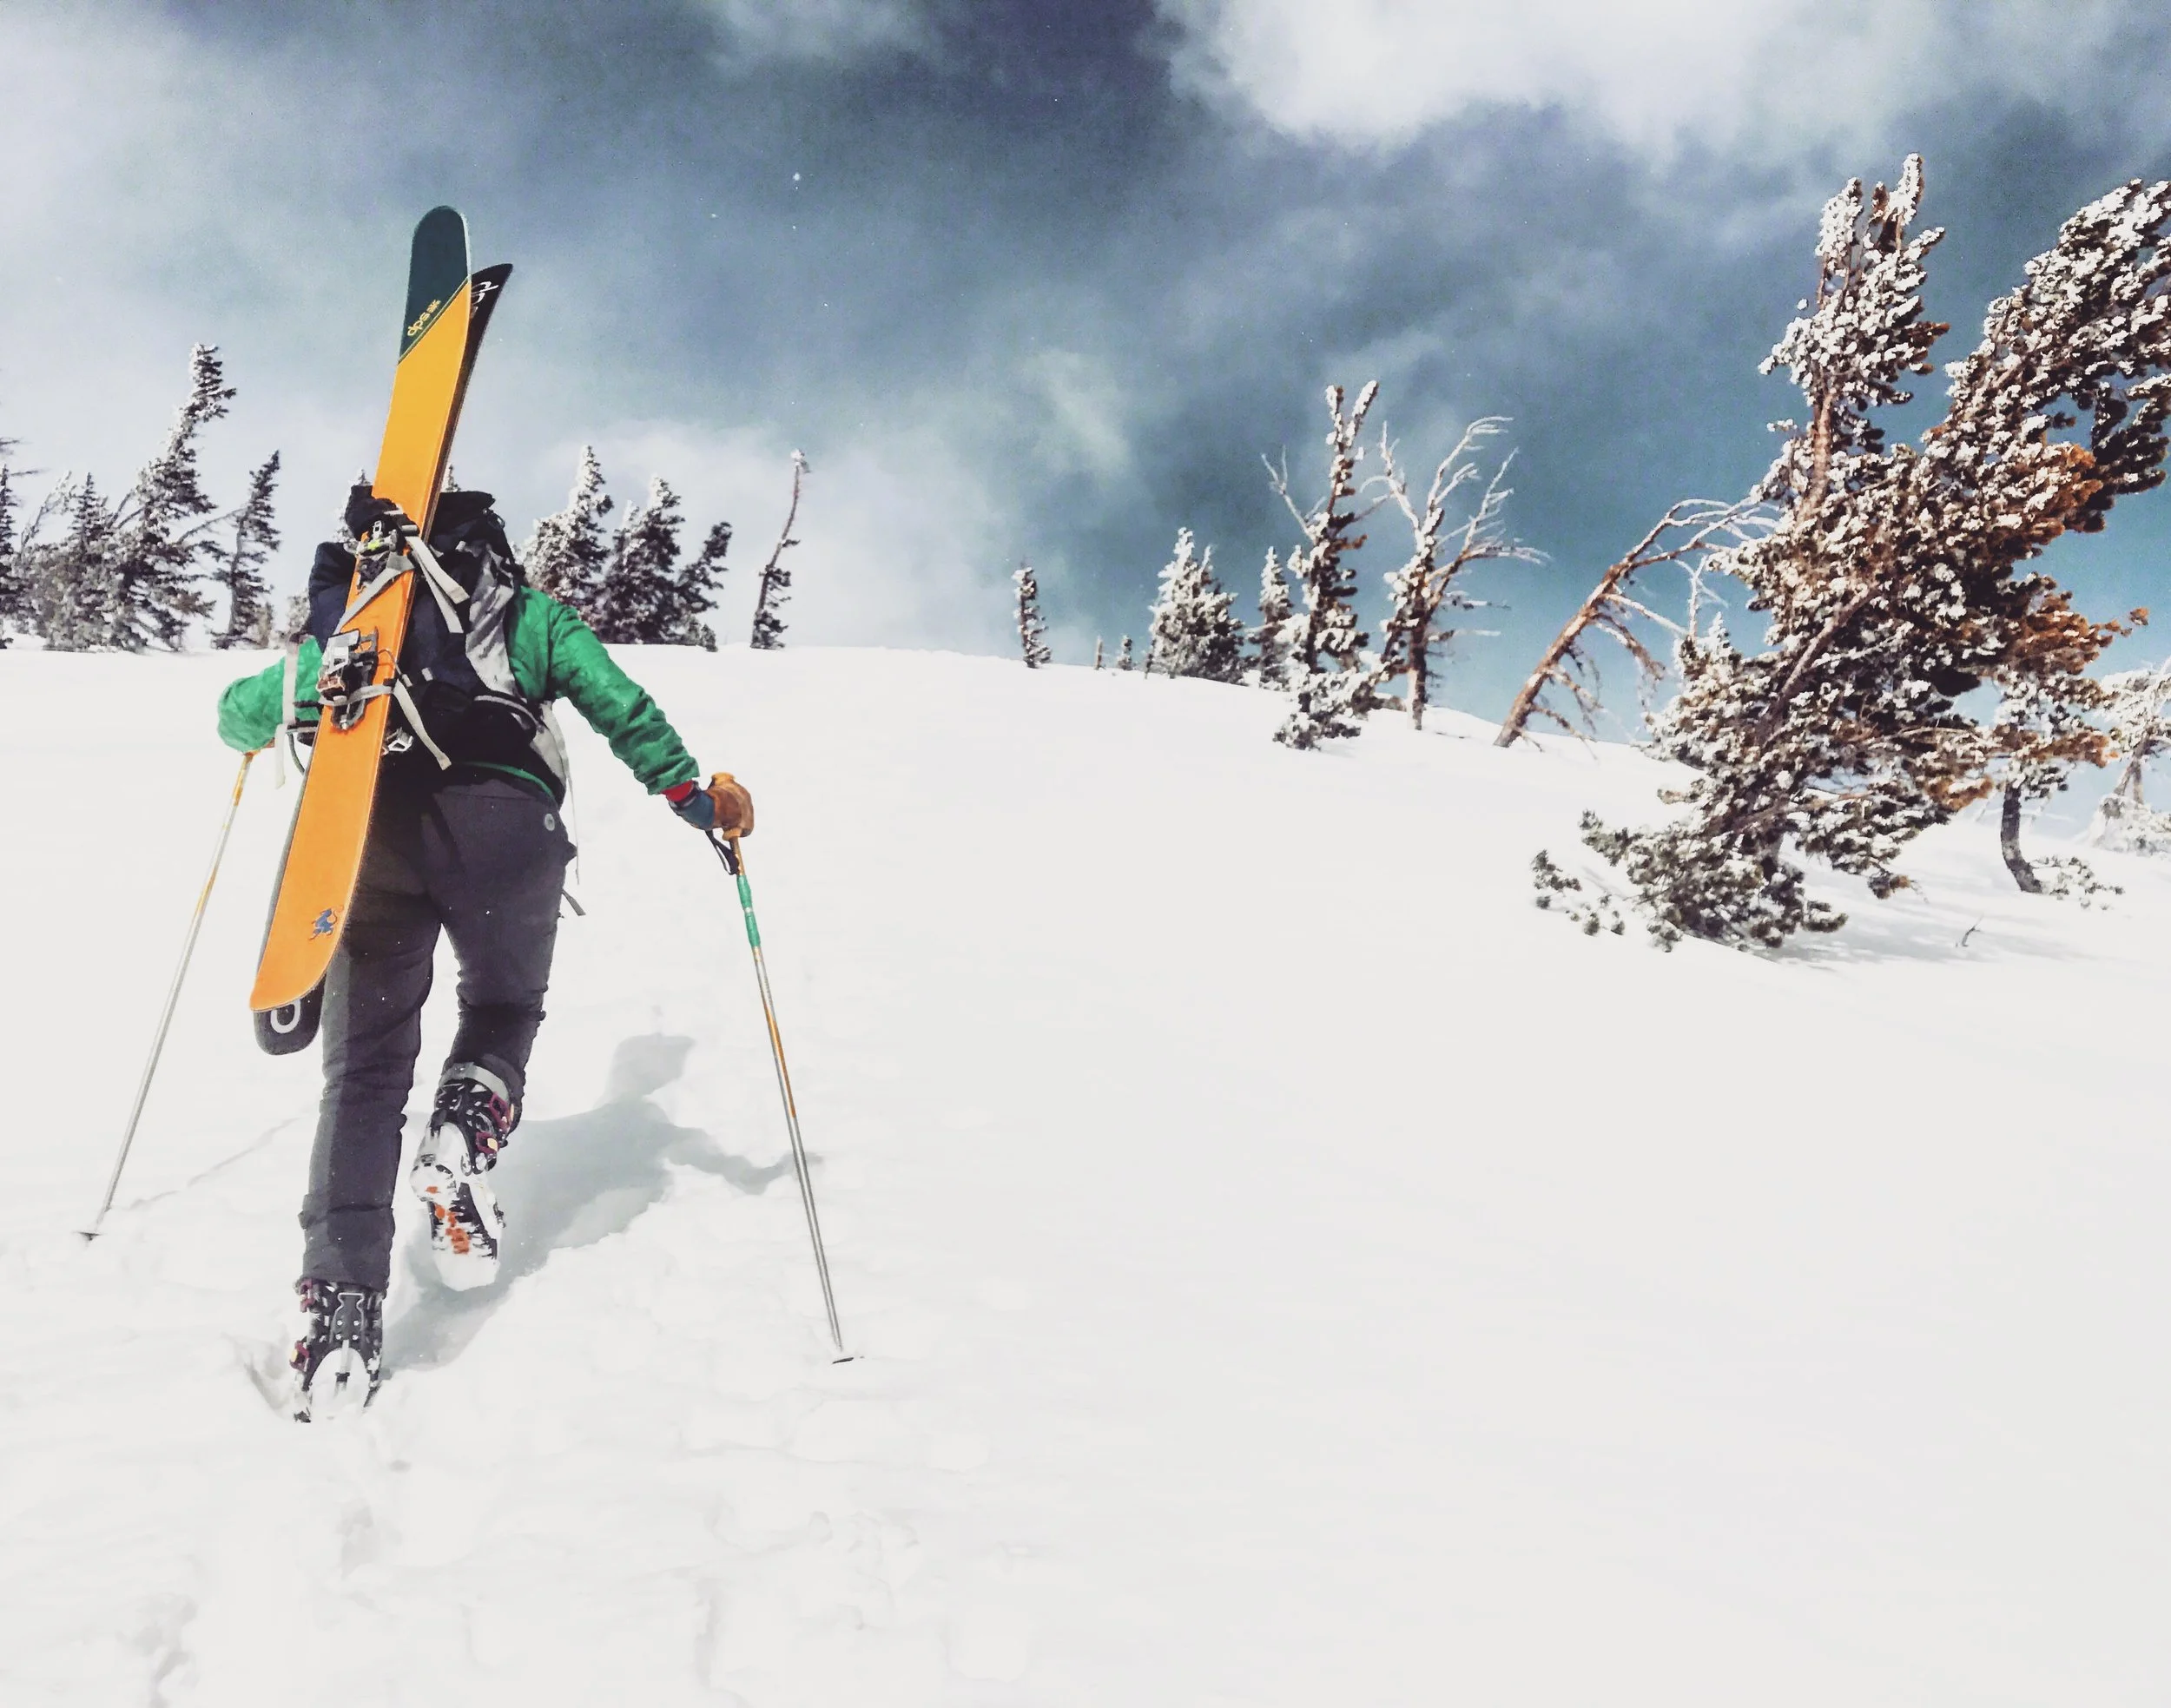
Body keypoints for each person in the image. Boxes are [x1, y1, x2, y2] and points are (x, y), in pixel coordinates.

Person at [216, 484, 753, 1421]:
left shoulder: (364, 623)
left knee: (365, 1079)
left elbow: (240, 715)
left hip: (370, 832)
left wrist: (289, 688)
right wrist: (695, 799)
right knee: (503, 1006)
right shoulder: (529, 614)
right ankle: (467, 1118)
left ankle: (340, 1313)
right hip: (508, 825)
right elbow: (619, 704)